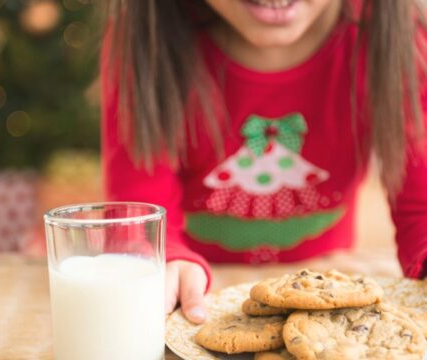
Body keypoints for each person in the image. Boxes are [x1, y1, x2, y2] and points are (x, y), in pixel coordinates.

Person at [101, 0, 427, 324]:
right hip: (195, 305)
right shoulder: (149, 35)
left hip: (330, 292)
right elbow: (139, 222)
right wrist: (161, 260)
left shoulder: (395, 32)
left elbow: (421, 212)